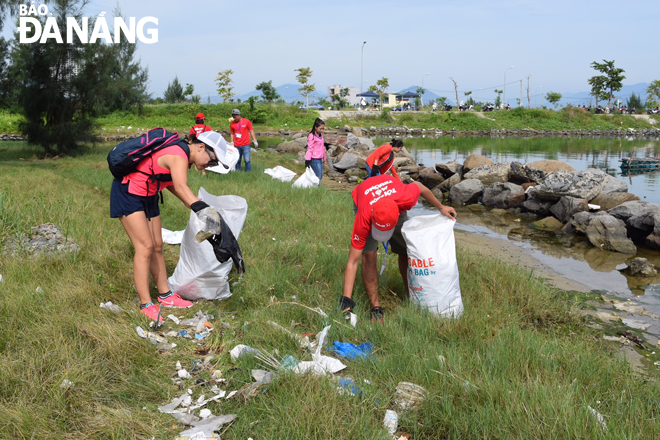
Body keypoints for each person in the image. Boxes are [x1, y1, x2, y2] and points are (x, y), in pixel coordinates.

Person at [110, 131, 228, 322]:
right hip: (129, 193)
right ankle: (146, 304)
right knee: (145, 247)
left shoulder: (184, 158)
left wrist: (196, 204)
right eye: (212, 160)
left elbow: (171, 184)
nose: (210, 165)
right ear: (200, 147)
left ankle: (165, 295)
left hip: (148, 195)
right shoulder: (178, 154)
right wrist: (202, 210)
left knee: (157, 245)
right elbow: (181, 187)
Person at [338, 174, 457, 322]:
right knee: (369, 255)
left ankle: (410, 295)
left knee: (406, 250)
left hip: (392, 201)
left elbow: (420, 187)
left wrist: (441, 207)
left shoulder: (406, 198)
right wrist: (346, 298)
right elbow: (353, 261)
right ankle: (376, 307)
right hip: (367, 198)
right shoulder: (364, 216)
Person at [304, 118, 327, 185]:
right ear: (316, 127)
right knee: (318, 176)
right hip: (314, 159)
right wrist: (307, 160)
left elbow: (322, 147)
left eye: (323, 128)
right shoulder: (312, 136)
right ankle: (317, 190)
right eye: (320, 129)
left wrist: (324, 158)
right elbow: (310, 148)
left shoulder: (321, 135)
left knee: (320, 175)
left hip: (320, 158)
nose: (322, 130)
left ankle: (314, 188)